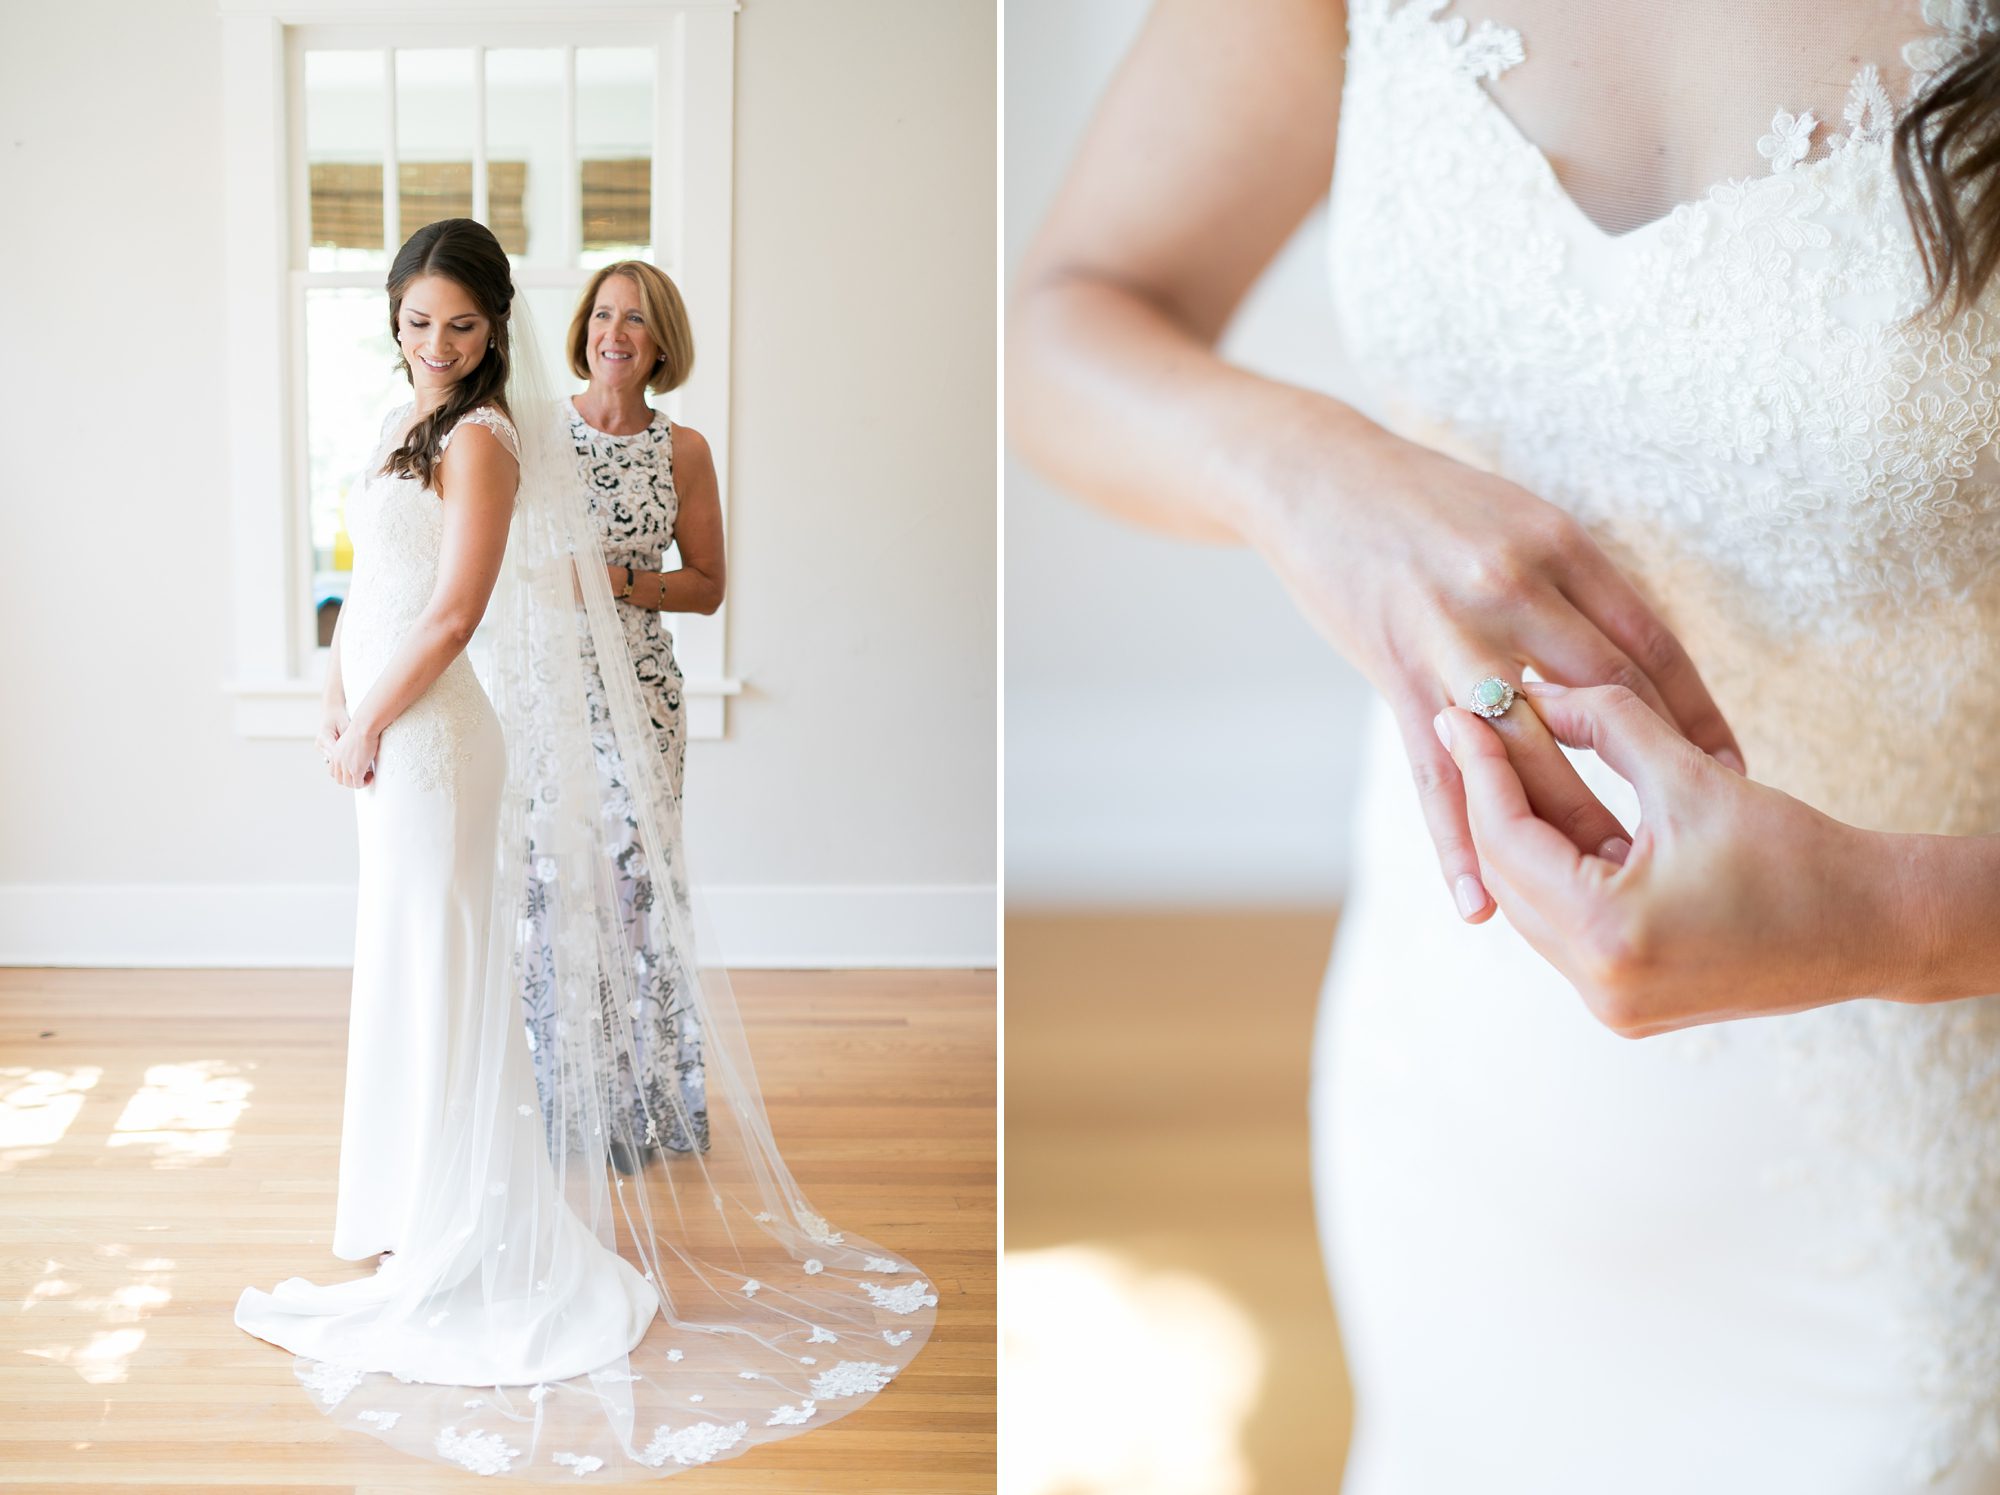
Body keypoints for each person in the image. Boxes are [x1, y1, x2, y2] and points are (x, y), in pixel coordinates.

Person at [1011, 1, 2000, 1487]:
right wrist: (1307, 472)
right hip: (1454, 1076)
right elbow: (1062, 320)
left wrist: (1897, 921)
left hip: (1903, 1205)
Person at [235, 219, 934, 1479]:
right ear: (391, 322)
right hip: (378, 732)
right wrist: (330, 699)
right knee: (402, 960)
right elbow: (365, 585)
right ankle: (404, 1203)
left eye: (458, 323)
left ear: (495, 325)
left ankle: (466, 1211)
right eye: (414, 321)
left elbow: (453, 614)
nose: (435, 344)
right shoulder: (400, 428)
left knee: (451, 960)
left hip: (434, 736)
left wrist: (377, 713)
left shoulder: (493, 439)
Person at [520, 261, 726, 1174]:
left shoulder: (684, 451)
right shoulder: (534, 432)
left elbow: (710, 586)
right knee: (554, 887)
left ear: (659, 342)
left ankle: (643, 1104)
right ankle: (557, 1097)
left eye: (635, 320)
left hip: (641, 693)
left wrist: (616, 583)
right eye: (602, 314)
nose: (615, 333)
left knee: (636, 892)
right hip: (545, 691)